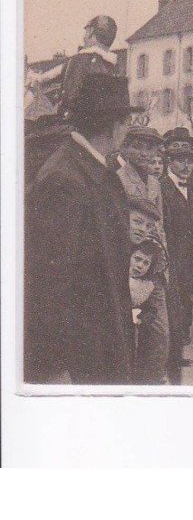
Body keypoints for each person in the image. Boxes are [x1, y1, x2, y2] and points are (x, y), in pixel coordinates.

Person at [25, 74, 141, 384]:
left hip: (99, 339)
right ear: (111, 125)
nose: (127, 130)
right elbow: (47, 282)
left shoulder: (89, 167)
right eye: (126, 122)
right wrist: (54, 367)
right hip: (82, 355)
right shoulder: (66, 178)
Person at [161, 129, 193, 364]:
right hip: (171, 249)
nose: (186, 166)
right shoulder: (162, 186)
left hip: (189, 249)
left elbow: (192, 214)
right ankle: (173, 338)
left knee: (186, 290)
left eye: (189, 161)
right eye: (180, 161)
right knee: (171, 293)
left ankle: (183, 331)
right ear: (170, 162)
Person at [127, 195, 171, 383]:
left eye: (148, 226)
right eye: (137, 222)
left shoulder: (151, 246)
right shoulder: (111, 236)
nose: (142, 229)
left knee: (159, 332)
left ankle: (153, 379)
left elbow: (155, 266)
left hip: (147, 283)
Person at [59, 15, 121, 114]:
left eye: (86, 31)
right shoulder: (115, 65)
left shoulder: (80, 60)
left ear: (91, 31)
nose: (83, 37)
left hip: (80, 123)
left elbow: (69, 99)